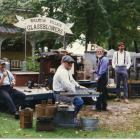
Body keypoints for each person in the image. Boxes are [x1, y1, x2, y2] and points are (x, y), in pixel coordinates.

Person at [53, 55, 87, 124]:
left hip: (64, 93)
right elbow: (67, 86)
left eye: (71, 63)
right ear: (63, 62)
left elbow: (72, 80)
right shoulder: (62, 71)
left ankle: (70, 117)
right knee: (79, 102)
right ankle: (71, 118)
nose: (70, 64)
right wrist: (75, 94)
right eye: (68, 62)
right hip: (60, 94)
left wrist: (79, 86)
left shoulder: (66, 70)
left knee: (79, 100)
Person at [90, 47, 109, 111]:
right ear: (96, 52)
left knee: (99, 92)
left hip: (102, 77)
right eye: (98, 51)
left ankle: (98, 107)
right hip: (102, 77)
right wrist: (94, 71)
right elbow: (99, 70)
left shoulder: (104, 59)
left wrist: (98, 77)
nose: (99, 52)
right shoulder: (100, 59)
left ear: (103, 52)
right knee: (103, 92)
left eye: (100, 51)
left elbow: (102, 70)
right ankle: (104, 107)